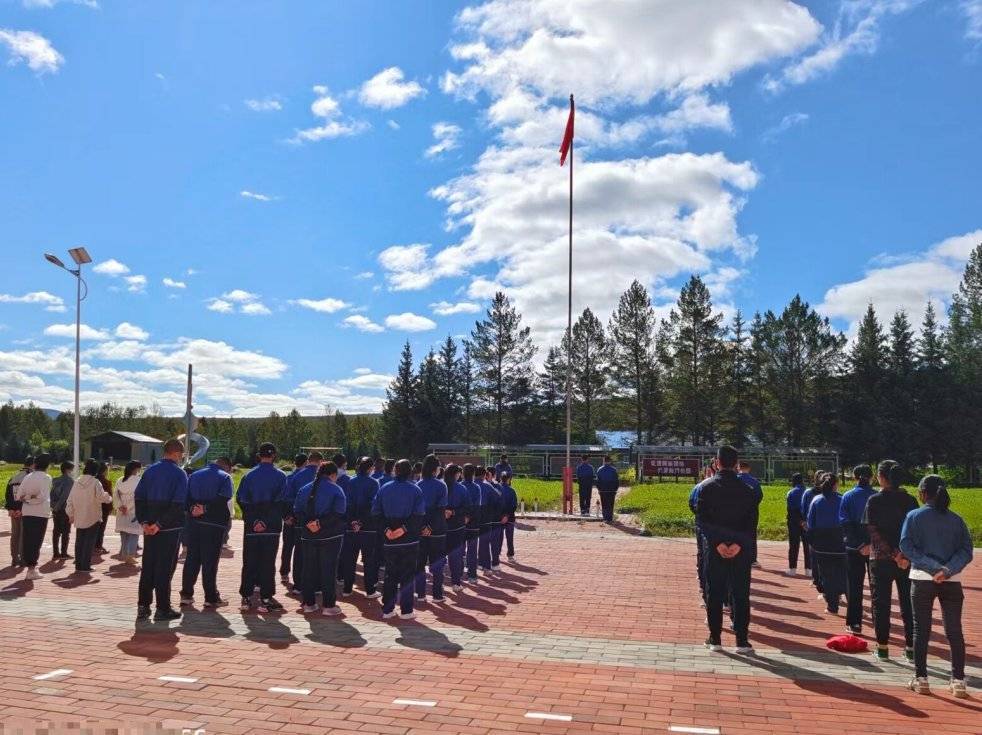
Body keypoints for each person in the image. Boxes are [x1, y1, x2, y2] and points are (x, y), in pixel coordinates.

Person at [900, 475, 973, 698]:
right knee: (954, 631)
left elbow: (906, 545)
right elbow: (966, 551)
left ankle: (921, 678)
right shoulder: (957, 520)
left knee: (921, 630)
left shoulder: (913, 516)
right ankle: (958, 680)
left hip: (922, 578)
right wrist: (947, 570)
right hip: (951, 581)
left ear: (923, 493)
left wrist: (932, 568)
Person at [696, 445, 757, 654]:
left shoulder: (707, 488)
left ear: (717, 462)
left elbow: (702, 521)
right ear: (737, 464)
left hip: (715, 549)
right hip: (740, 550)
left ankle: (715, 639)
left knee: (715, 593)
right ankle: (742, 640)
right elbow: (751, 524)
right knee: (740, 593)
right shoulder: (748, 491)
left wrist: (718, 543)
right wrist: (738, 544)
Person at [863, 460, 919, 661]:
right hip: (906, 560)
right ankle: (911, 648)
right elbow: (914, 531)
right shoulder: (911, 501)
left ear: (882, 477)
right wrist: (901, 554)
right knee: (908, 602)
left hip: (880, 559)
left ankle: (883, 647)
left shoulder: (874, 500)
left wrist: (891, 553)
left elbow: (872, 530)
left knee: (881, 603)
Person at [134, 439, 189, 621]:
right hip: (169, 529)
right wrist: (160, 524)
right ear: (176, 454)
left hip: (148, 527)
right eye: (181, 455)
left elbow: (139, 497)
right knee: (165, 568)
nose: (181, 458)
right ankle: (163, 608)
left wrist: (145, 522)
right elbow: (178, 504)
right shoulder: (179, 474)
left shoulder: (149, 471)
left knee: (148, 565)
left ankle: (143, 606)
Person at [372, 458, 426, 619]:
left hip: (389, 538)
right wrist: (403, 529)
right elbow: (419, 515)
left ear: (395, 470)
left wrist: (387, 529)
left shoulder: (384, 489)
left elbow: (376, 512)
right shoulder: (416, 490)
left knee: (390, 574)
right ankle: (406, 610)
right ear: (410, 471)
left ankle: (387, 609)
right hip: (409, 539)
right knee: (408, 575)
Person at [237, 442, 287, 613]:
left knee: (249, 561)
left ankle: (246, 596)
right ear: (273, 456)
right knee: (267, 562)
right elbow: (280, 501)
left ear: (259, 455)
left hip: (252, 527)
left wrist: (255, 520)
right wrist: (265, 520)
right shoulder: (280, 476)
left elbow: (242, 500)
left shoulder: (249, 476)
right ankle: (266, 597)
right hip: (271, 527)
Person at [180, 457, 234, 608]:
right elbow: (225, 498)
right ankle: (210, 597)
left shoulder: (195, 475)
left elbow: (186, 497)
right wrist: (206, 509)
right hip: (213, 524)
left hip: (194, 523)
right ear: (227, 467)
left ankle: (186, 594)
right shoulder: (225, 477)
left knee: (192, 559)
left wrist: (194, 510)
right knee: (210, 562)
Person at [294, 461, 346, 615]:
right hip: (330, 536)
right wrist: (320, 523)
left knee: (308, 569)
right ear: (332, 475)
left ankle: (309, 603)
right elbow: (339, 513)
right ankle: (329, 605)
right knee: (328, 570)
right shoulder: (336, 490)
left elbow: (297, 510)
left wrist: (309, 523)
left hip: (308, 535)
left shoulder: (304, 489)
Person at [838, 464, 876, 634]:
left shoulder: (848, 496)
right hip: (876, 547)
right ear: (872, 477)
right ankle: (879, 620)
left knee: (854, 585)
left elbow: (844, 522)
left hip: (854, 547)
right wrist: (870, 543)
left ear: (854, 477)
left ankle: (854, 623)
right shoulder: (877, 496)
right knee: (877, 586)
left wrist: (859, 544)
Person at [807, 472, 847, 614]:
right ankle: (848, 600)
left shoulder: (816, 500)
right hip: (840, 541)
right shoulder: (843, 499)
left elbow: (810, 524)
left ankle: (832, 606)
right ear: (836, 485)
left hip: (822, 543)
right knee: (844, 573)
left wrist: (812, 541)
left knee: (827, 575)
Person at [280, 452, 319, 590]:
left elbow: (287, 497)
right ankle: (313, 583)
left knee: (292, 548)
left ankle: (290, 577)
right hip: (315, 520)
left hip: (296, 517)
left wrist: (287, 515)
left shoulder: (293, 476)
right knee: (313, 552)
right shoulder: (320, 476)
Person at [343, 457, 380, 597]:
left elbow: (347, 503)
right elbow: (372, 505)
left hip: (351, 527)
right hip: (368, 527)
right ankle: (370, 590)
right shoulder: (374, 483)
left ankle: (347, 589)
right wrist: (361, 522)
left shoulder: (350, 481)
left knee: (350, 559)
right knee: (369, 560)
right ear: (370, 468)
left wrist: (353, 521)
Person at [66, 459, 111, 572]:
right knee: (89, 542)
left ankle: (78, 565)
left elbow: (70, 499)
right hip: (93, 515)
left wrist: (71, 514)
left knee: (79, 541)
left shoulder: (77, 481)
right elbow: (101, 497)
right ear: (96, 470)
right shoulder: (95, 482)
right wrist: (109, 498)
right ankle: (85, 566)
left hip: (79, 515)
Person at [415, 454, 448, 602]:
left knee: (420, 563)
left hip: (420, 532)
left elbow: (415, 511)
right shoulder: (441, 485)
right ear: (436, 469)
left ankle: (421, 594)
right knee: (437, 564)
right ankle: (437, 595)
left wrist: (423, 527)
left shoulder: (417, 485)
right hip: (437, 531)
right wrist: (431, 527)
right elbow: (440, 510)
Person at [15, 452, 52, 580]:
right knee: (36, 541)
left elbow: (19, 496)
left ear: (35, 464)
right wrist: (32, 498)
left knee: (28, 539)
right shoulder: (46, 478)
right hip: (40, 513)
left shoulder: (28, 477)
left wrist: (27, 498)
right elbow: (42, 497)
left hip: (27, 512)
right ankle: (31, 569)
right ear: (47, 465)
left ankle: (29, 567)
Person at [444, 464, 469, 590]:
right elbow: (466, 508)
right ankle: (456, 583)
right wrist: (453, 512)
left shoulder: (440, 486)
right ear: (456, 474)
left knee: (439, 556)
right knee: (456, 555)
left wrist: (445, 512)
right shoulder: (461, 489)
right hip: (457, 526)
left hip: (441, 527)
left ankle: (438, 585)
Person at [4, 456, 32, 567]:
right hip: (24, 510)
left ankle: (14, 558)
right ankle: (23, 559)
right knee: (23, 535)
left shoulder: (14, 476)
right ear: (32, 465)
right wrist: (20, 509)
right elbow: (27, 495)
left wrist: (11, 508)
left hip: (13, 510)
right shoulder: (29, 477)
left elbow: (8, 494)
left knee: (14, 534)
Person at [114, 461, 143, 565]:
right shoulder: (140, 480)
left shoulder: (120, 480)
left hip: (122, 510)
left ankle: (124, 553)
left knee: (124, 533)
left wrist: (120, 506)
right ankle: (130, 555)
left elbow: (115, 495)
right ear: (136, 469)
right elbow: (141, 496)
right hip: (134, 509)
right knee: (134, 533)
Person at [800, 470, 824, 593]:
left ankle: (819, 579)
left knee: (814, 553)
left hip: (814, 526)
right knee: (814, 553)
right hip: (815, 526)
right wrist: (804, 522)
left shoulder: (809, 493)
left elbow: (803, 509)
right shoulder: (809, 493)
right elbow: (803, 509)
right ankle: (817, 578)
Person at [736, 461, 763, 568]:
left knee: (736, 533)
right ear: (749, 469)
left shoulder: (735, 479)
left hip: (737, 512)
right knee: (751, 535)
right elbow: (759, 496)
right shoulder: (754, 482)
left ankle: (737, 557)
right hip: (751, 512)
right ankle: (752, 560)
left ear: (738, 468)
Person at [477, 466, 501, 572]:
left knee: (470, 544)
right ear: (484, 475)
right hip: (485, 516)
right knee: (485, 541)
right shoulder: (487, 486)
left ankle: (475, 566)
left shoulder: (465, 485)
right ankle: (486, 566)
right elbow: (498, 497)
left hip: (470, 516)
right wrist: (491, 482)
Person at [49, 461, 74, 561]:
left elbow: (51, 495)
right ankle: (64, 552)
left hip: (55, 509)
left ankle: (55, 553)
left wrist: (54, 507)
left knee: (56, 531)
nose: (72, 471)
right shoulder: (70, 481)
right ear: (68, 470)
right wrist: (58, 507)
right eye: (71, 469)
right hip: (64, 509)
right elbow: (65, 496)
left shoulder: (56, 480)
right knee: (65, 531)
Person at [462, 463, 483, 583]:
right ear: (473, 474)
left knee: (459, 549)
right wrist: (469, 517)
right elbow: (476, 506)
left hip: (459, 523)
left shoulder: (459, 486)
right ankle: (472, 575)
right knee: (472, 550)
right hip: (474, 522)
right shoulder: (476, 488)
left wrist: (464, 517)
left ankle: (458, 574)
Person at [785, 473, 808, 577]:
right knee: (807, 545)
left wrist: (798, 520)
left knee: (794, 545)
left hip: (794, 521)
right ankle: (809, 569)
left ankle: (792, 569)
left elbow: (790, 509)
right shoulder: (808, 492)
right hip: (806, 522)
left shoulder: (791, 492)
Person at [94, 462, 113, 555]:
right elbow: (109, 496)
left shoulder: (94, 480)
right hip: (104, 508)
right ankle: (98, 546)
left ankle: (93, 545)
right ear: (104, 471)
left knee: (93, 527)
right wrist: (110, 508)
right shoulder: (105, 482)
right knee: (101, 528)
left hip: (92, 507)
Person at [498, 471, 518, 561]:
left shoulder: (496, 489)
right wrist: (507, 516)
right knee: (509, 537)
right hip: (510, 518)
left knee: (499, 537)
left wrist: (501, 516)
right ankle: (510, 555)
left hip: (499, 518)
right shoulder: (511, 491)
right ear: (509, 479)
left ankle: (497, 553)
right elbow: (514, 505)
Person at [596, 455, 619, 523]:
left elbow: (598, 481)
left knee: (604, 504)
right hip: (612, 490)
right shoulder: (614, 470)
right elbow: (616, 481)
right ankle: (610, 518)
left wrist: (599, 489)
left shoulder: (600, 469)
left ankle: (605, 518)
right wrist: (615, 489)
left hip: (603, 490)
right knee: (611, 504)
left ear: (604, 461)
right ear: (610, 461)